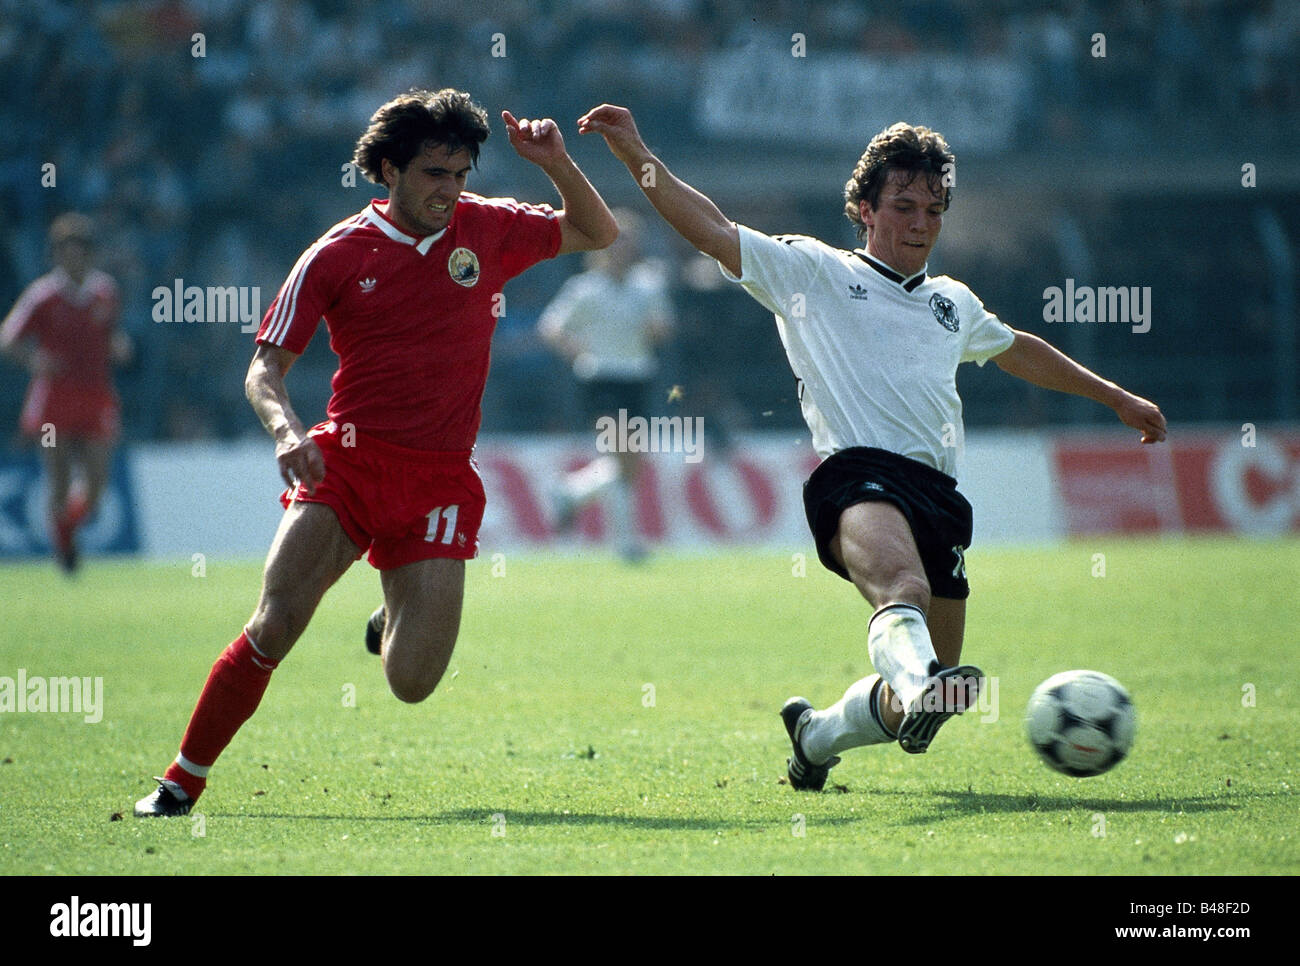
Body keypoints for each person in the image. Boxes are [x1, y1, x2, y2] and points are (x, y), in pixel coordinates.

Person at [577, 104, 1167, 789]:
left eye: (935, 210)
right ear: (864, 208)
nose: (921, 224)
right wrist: (637, 155)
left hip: (939, 496)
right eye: (905, 206)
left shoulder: (952, 302)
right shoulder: (813, 273)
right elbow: (709, 228)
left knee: (932, 687)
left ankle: (817, 734)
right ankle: (916, 679)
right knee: (905, 596)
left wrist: (1116, 397)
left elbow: (1017, 351)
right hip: (856, 478)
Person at [135, 88, 618, 817]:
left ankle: (388, 618)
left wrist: (555, 162)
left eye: (459, 174)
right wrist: (288, 434)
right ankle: (180, 783)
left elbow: (597, 231)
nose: (449, 190)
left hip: (441, 482)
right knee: (275, 623)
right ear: (389, 170)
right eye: (433, 173)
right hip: (349, 466)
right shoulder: (335, 255)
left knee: (413, 682)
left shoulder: (485, 228)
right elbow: (263, 369)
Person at [537, 207, 673, 562]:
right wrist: (576, 351)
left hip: (638, 377)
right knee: (623, 456)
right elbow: (552, 327)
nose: (622, 249)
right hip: (600, 378)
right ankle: (626, 543)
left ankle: (571, 493)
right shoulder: (585, 288)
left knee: (629, 462)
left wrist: (655, 330)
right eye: (616, 241)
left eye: (629, 242)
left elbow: (662, 328)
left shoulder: (648, 284)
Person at [0, 213, 131, 572]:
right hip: (54, 400)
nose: (74, 258)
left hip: (95, 396)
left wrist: (118, 346)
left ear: (89, 254)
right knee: (57, 479)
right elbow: (9, 337)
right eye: (66, 251)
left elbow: (110, 336)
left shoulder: (105, 292)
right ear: (56, 255)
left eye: (80, 251)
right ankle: (64, 548)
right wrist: (34, 359)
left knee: (97, 484)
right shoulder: (43, 296)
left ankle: (65, 527)